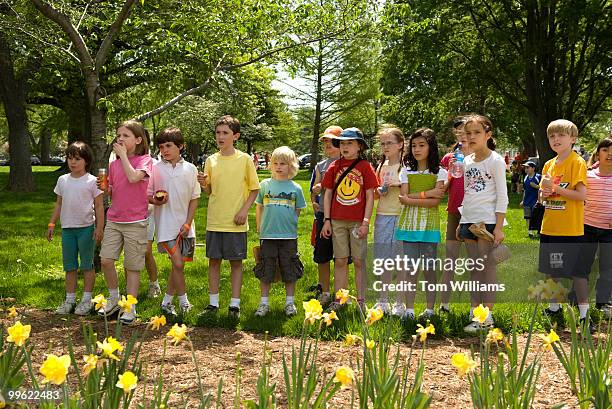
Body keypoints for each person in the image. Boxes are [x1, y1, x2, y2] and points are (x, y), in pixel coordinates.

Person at [197, 115, 259, 319]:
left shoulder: (245, 159)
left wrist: (243, 211)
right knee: (213, 261)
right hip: (215, 220)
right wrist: (203, 184)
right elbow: (209, 191)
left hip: (235, 222)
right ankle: (213, 303)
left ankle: (234, 304)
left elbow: (254, 190)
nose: (220, 136)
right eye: (218, 133)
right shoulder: (210, 160)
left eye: (225, 133)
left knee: (236, 263)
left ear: (236, 136)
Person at [98, 120, 153, 324]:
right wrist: (106, 189)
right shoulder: (113, 165)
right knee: (106, 260)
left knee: (132, 266)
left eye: (125, 136)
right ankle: (114, 298)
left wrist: (122, 156)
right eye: (118, 135)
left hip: (135, 222)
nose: (120, 139)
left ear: (138, 140)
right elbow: (115, 188)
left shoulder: (145, 161)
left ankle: (130, 307)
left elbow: (133, 178)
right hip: (114, 219)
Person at [538, 119, 591, 332]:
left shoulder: (577, 162)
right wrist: (543, 193)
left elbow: (581, 195)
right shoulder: (549, 164)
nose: (556, 139)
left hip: (571, 229)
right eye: (552, 136)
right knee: (553, 270)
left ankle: (585, 314)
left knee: (578, 274)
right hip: (550, 227)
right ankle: (554, 308)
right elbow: (543, 196)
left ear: (573, 139)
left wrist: (556, 188)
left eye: (561, 135)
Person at [458, 114, 508, 333]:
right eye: (468, 133)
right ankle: (475, 311)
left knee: (487, 269)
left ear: (488, 134)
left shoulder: (495, 160)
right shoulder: (467, 161)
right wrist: (462, 222)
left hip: (486, 222)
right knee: (474, 269)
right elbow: (468, 193)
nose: (471, 136)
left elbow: (503, 195)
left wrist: (498, 226)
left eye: (477, 132)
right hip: (469, 220)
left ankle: (486, 316)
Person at [321, 128, 378, 309]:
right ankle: (340, 300)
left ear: (359, 146)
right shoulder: (334, 167)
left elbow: (370, 196)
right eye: (342, 143)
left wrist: (366, 222)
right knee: (340, 260)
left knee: (359, 260)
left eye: (350, 143)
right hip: (337, 220)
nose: (345, 147)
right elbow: (328, 194)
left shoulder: (365, 167)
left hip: (357, 222)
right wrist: (327, 220)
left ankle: (362, 301)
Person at [395, 128, 447, 321]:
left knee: (429, 269)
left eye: (422, 145)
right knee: (410, 270)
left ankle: (430, 310)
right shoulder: (406, 171)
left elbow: (435, 202)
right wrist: (429, 193)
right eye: (414, 145)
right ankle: (409, 310)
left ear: (431, 147)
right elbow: (403, 197)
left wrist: (413, 198)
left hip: (429, 228)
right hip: (409, 227)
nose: (417, 149)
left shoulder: (441, 172)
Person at [149, 127, 201, 316]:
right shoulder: (155, 169)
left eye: (169, 146)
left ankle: (166, 303)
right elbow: (147, 195)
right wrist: (156, 200)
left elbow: (195, 198)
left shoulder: (191, 169)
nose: (164, 150)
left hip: (186, 226)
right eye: (161, 147)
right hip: (165, 227)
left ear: (181, 146)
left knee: (178, 266)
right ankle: (184, 302)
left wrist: (188, 223)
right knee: (177, 264)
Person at [47, 142, 104, 315]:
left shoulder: (93, 181)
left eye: (77, 159)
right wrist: (51, 223)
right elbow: (58, 203)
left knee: (87, 265)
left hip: (86, 229)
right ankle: (70, 300)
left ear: (86, 161)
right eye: (70, 158)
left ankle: (87, 300)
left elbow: (100, 207)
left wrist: (99, 228)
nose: (73, 162)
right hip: (67, 230)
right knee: (70, 266)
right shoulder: (62, 180)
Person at [254, 146, 306, 316]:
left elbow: (297, 211)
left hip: (288, 236)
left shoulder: (296, 188)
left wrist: (290, 223)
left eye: (283, 163)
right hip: (268, 235)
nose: (278, 166)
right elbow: (259, 207)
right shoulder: (264, 185)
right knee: (266, 268)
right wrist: (259, 226)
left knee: (289, 268)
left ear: (291, 166)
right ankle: (264, 303)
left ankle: (289, 303)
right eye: (275, 163)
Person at [438, 117, 470, 313]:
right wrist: (447, 177)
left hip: (476, 212)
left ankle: (479, 308)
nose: (461, 134)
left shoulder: (481, 156)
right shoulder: (450, 158)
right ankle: (444, 305)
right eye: (458, 131)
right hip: (455, 211)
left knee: (477, 260)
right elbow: (444, 186)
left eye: (465, 130)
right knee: (450, 258)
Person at [372, 126, 405, 314]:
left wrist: (398, 184)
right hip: (383, 216)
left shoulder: (406, 166)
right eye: (382, 143)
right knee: (384, 260)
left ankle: (399, 303)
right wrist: (379, 191)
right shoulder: (380, 166)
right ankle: (383, 300)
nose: (385, 147)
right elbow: (377, 195)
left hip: (400, 215)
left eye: (389, 143)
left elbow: (411, 190)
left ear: (400, 145)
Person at [309, 125, 343, 305]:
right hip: (324, 215)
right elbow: (313, 189)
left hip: (343, 215)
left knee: (341, 256)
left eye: (332, 142)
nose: (328, 146)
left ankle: (340, 293)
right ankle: (324, 290)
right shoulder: (321, 166)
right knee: (322, 255)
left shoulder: (348, 163)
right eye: (325, 142)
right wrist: (314, 200)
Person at [582, 137, 611, 319]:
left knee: (608, 268)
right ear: (598, 153)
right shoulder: (587, 175)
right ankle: (577, 300)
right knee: (584, 266)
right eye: (605, 150)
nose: (610, 154)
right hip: (587, 227)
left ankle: (603, 303)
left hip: (609, 231)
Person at [519, 161, 541, 238]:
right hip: (527, 201)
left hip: (536, 201)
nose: (526, 169)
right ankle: (530, 232)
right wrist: (523, 200)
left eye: (528, 167)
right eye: (525, 168)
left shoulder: (538, 177)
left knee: (537, 216)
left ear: (533, 168)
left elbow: (543, 188)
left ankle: (539, 231)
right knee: (527, 216)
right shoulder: (525, 178)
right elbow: (525, 190)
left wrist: (536, 186)